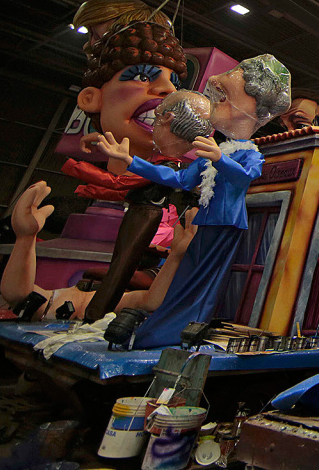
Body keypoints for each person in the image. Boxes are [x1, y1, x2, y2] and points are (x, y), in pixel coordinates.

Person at [95, 54, 291, 348]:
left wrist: (220, 159)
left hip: (227, 224)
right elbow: (180, 179)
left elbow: (245, 177)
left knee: (205, 281)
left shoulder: (248, 153)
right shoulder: (215, 149)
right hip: (205, 221)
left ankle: (181, 329)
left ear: (253, 107)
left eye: (224, 99)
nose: (215, 103)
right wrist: (131, 161)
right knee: (185, 276)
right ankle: (161, 326)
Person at [65, 21, 190, 321]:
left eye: (174, 81)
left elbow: (134, 179)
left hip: (151, 216)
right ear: (90, 98)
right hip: (143, 211)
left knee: (122, 267)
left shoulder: (177, 160)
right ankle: (97, 313)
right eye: (142, 76)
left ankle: (97, 314)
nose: (169, 89)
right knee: (121, 265)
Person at [0, 182, 198, 321]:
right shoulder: (75, 293)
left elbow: (151, 301)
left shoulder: (125, 294)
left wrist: (176, 257)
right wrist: (25, 238)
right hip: (73, 300)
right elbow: (19, 295)